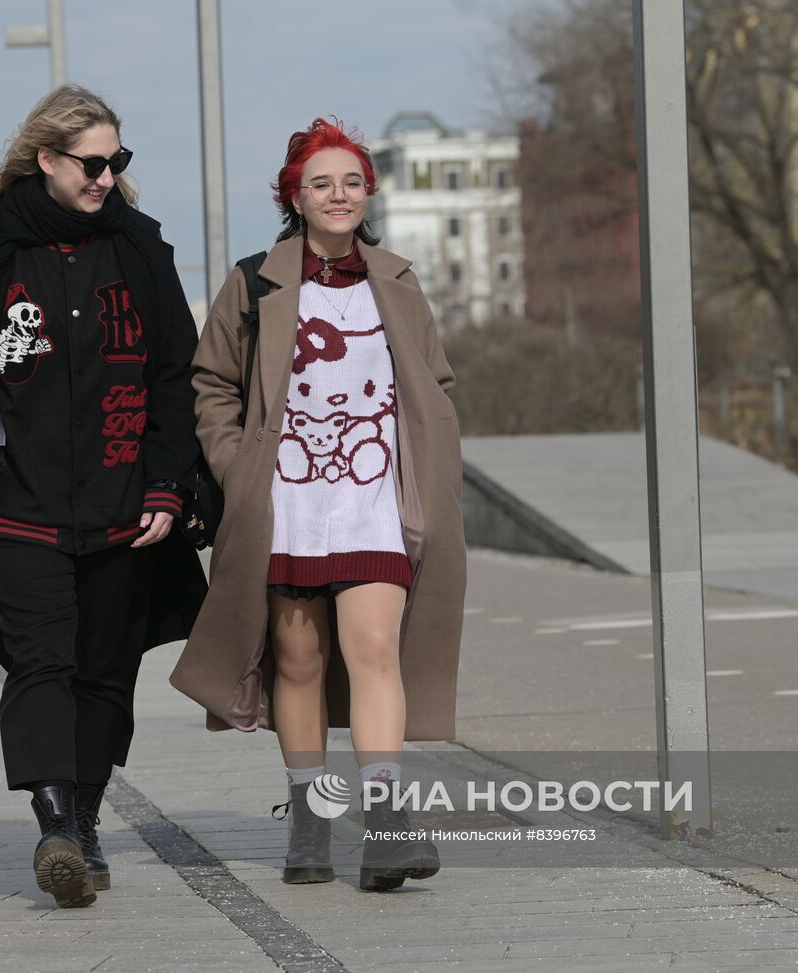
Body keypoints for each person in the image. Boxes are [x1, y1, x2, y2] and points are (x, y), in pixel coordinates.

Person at [0, 84, 205, 909]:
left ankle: (87, 820)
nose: (106, 177)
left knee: (104, 670)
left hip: (124, 509)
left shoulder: (139, 250)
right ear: (47, 160)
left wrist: (170, 482)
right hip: (15, 508)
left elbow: (176, 376)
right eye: (91, 163)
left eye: (116, 162)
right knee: (40, 661)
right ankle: (54, 822)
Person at [170, 118, 466, 892]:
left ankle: (388, 825)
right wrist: (239, 469)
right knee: (298, 659)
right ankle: (309, 818)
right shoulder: (255, 281)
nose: (339, 195)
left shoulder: (396, 280)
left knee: (374, 648)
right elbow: (210, 384)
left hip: (373, 497)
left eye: (352, 181)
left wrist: (429, 459)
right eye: (321, 183)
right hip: (288, 499)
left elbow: (434, 381)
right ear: (294, 197)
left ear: (368, 192)